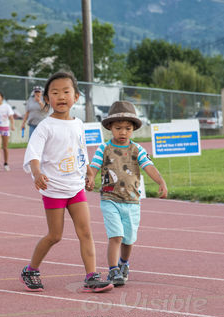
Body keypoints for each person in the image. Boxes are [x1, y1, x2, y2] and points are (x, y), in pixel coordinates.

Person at [20, 71, 113, 293]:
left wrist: (89, 172)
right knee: (55, 235)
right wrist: (37, 172)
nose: (61, 96)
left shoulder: (79, 124)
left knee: (86, 232)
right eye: (54, 92)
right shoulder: (45, 126)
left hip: (75, 188)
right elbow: (33, 154)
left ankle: (91, 276)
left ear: (76, 96)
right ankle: (31, 269)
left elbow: (81, 151)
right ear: (46, 98)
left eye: (66, 91)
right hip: (53, 189)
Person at [86, 101, 168, 286]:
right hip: (110, 199)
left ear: (133, 130)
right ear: (109, 128)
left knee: (129, 239)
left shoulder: (137, 149)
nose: (123, 132)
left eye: (127, 128)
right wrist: (90, 178)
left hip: (132, 201)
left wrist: (161, 181)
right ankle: (113, 269)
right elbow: (94, 168)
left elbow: (149, 167)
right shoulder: (104, 149)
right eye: (118, 128)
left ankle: (124, 264)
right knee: (116, 235)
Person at [0, 91, 15, 171]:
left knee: (5, 147)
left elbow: (11, 116)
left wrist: (12, 125)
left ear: (2, 98)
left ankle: (6, 163)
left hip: (5, 128)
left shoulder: (7, 106)